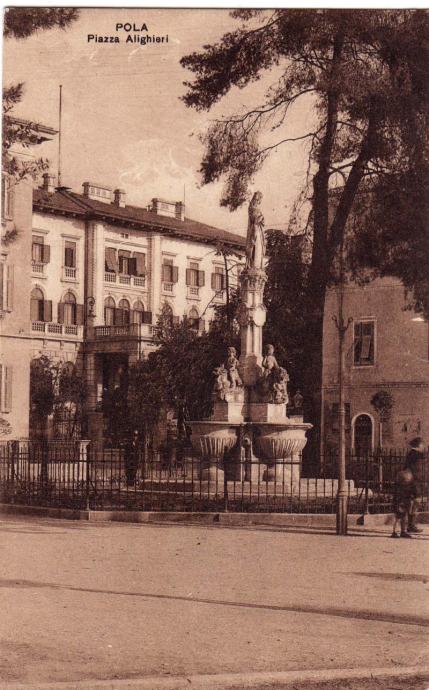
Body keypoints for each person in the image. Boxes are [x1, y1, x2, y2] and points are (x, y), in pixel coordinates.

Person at [404, 437, 426, 533]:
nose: (423, 447)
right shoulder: (416, 454)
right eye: (422, 445)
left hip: (411, 480)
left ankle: (410, 525)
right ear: (419, 445)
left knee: (412, 502)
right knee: (416, 502)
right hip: (414, 481)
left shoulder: (411, 454)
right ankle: (411, 525)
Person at [391, 466, 415, 538]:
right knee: (399, 516)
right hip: (400, 500)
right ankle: (395, 532)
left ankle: (402, 531)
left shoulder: (402, 484)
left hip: (402, 499)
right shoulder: (399, 486)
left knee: (403, 515)